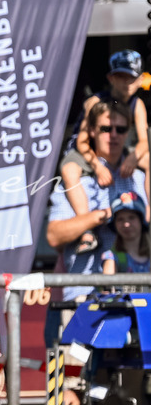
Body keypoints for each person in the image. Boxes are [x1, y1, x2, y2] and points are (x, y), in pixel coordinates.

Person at [47, 99, 146, 301]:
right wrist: (104, 216)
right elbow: (54, 236)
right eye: (106, 128)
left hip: (137, 295)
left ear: (128, 132)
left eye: (121, 129)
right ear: (92, 131)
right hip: (84, 295)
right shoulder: (76, 175)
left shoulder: (139, 177)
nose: (114, 135)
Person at [60, 50, 149, 254]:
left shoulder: (137, 104)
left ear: (139, 80)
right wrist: (98, 167)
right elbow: (83, 142)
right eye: (121, 77)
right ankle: (87, 231)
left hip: (118, 150)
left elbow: (144, 142)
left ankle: (148, 213)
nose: (127, 83)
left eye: (131, 78)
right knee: (69, 169)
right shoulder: (96, 101)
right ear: (111, 78)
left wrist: (134, 157)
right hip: (88, 152)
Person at [102, 191, 150, 280]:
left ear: (141, 221)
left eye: (132, 217)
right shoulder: (112, 257)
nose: (126, 224)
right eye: (120, 219)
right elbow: (107, 291)